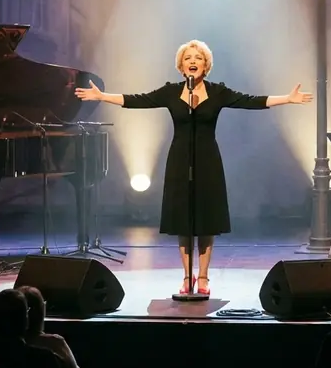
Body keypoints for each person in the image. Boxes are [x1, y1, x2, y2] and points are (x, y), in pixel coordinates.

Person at [75, 39, 312, 295]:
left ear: (205, 64)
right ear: (181, 65)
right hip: (179, 160)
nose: (192, 62)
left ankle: (204, 277)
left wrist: (287, 99)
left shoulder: (218, 92)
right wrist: (101, 97)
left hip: (209, 160)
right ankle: (187, 276)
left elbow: (251, 101)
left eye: (197, 58)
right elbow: (137, 100)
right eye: (188, 58)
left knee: (206, 220)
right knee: (183, 221)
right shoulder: (171, 92)